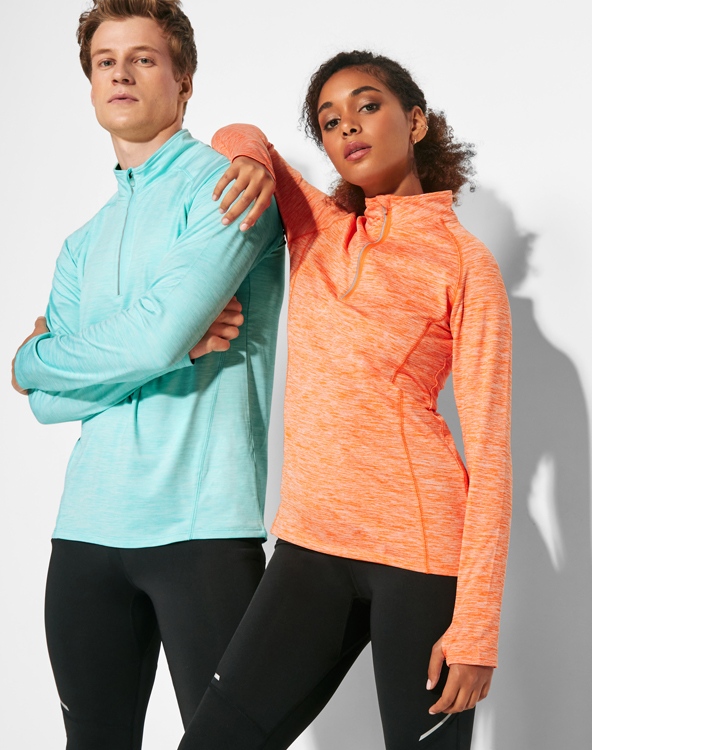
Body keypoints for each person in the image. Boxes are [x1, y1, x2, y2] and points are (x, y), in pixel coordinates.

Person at [177, 50, 513, 749]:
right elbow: (240, 134)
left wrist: (477, 626)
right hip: (311, 545)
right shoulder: (319, 228)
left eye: (368, 106)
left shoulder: (465, 264)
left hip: (421, 554)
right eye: (330, 121)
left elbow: (490, 453)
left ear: (415, 121)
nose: (348, 127)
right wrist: (251, 160)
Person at [9, 1, 285, 748]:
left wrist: (42, 359)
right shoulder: (82, 242)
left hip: (202, 533)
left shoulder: (232, 188)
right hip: (84, 538)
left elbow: (156, 333)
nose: (121, 74)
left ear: (183, 80)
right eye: (106, 61)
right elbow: (45, 404)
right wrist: (39, 365)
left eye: (143, 58)